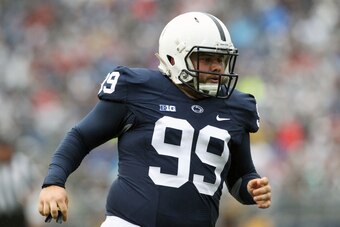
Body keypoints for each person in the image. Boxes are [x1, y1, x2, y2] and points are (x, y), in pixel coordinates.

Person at [38, 11, 271, 227]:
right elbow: (81, 137)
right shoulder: (137, 88)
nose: (217, 67)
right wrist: (54, 181)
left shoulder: (238, 107)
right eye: (206, 58)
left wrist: (253, 189)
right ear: (173, 57)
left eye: (221, 59)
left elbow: (240, 177)